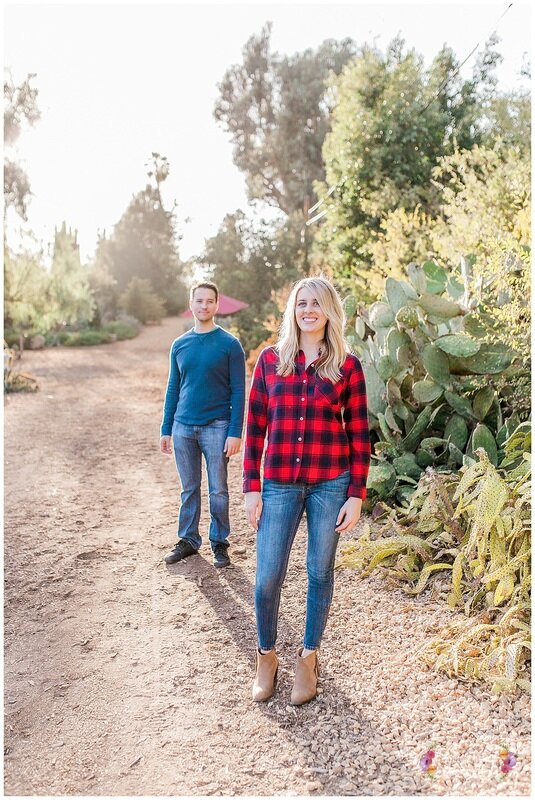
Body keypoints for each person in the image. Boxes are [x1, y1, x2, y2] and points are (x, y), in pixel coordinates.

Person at [243, 276, 370, 704]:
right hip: (277, 483)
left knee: (319, 572)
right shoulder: (270, 361)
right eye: (301, 303)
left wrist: (356, 493)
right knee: (266, 579)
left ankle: (308, 658)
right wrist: (251, 488)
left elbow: (358, 433)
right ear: (292, 311)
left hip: (329, 483)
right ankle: (266, 656)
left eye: (316, 303)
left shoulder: (347, 367)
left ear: (329, 310)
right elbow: (254, 426)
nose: (308, 310)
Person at [161, 281, 246, 568]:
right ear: (191, 303)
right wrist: (166, 429)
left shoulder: (230, 345)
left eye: (209, 301)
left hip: (217, 426)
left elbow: (238, 391)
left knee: (218, 490)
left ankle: (219, 543)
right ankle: (188, 540)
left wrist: (235, 432)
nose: (204, 306)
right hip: (183, 427)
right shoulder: (180, 344)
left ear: (216, 305)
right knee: (189, 488)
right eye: (199, 301)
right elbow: (173, 387)